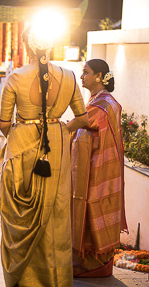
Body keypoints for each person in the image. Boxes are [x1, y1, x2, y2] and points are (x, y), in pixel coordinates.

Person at [0, 26, 88, 287]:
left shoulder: (15, 78)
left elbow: (3, 124)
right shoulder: (69, 76)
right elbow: (83, 118)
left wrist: (26, 131)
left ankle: (24, 279)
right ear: (51, 46)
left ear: (27, 46)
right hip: (56, 147)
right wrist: (57, 130)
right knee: (56, 212)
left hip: (22, 146)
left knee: (17, 213)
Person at [71, 59, 128, 277]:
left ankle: (95, 264)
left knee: (94, 207)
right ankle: (83, 261)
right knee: (83, 208)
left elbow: (77, 126)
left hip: (100, 170)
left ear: (98, 76)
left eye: (86, 72)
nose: (82, 76)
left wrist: (61, 132)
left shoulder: (104, 104)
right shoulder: (97, 101)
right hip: (90, 167)